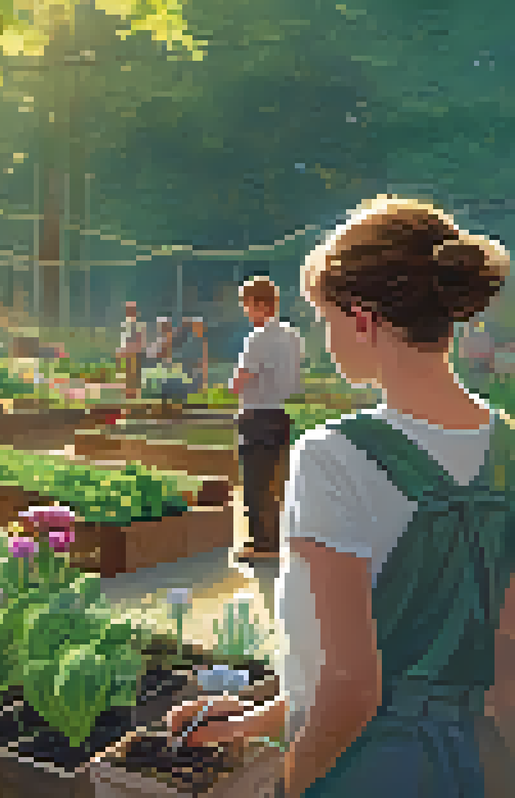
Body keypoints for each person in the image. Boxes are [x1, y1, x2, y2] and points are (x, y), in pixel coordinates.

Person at [165, 196, 515, 797]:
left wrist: (292, 785)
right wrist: (251, 721)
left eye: (325, 319)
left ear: (362, 319)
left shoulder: (334, 457)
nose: (325, 339)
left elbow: (350, 686)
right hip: (472, 766)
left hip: (369, 769)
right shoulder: (505, 445)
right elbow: (501, 654)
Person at [229, 276, 304, 564]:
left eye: (247, 305)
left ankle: (261, 543)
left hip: (258, 412)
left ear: (260, 304)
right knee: (278, 480)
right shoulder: (291, 335)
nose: (246, 312)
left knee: (255, 481)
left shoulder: (258, 338)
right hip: (283, 413)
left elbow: (240, 380)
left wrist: (233, 385)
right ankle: (276, 537)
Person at [117, 301, 148, 399]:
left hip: (135, 353)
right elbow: (124, 339)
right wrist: (122, 350)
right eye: (128, 310)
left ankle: (135, 394)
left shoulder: (139, 325)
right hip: (128, 353)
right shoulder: (125, 324)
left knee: (135, 375)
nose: (129, 312)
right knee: (128, 375)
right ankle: (128, 394)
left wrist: (139, 351)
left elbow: (141, 340)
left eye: (131, 310)